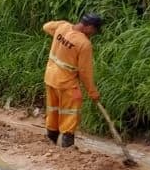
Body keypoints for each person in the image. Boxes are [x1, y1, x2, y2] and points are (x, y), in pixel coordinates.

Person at [41, 13, 103, 147]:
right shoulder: (84, 44)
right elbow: (85, 72)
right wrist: (92, 92)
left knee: (53, 110)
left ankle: (50, 142)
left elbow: (46, 26)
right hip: (66, 84)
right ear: (89, 27)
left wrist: (61, 36)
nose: (94, 33)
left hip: (50, 78)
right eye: (94, 31)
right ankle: (67, 147)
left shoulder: (62, 26)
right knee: (71, 113)